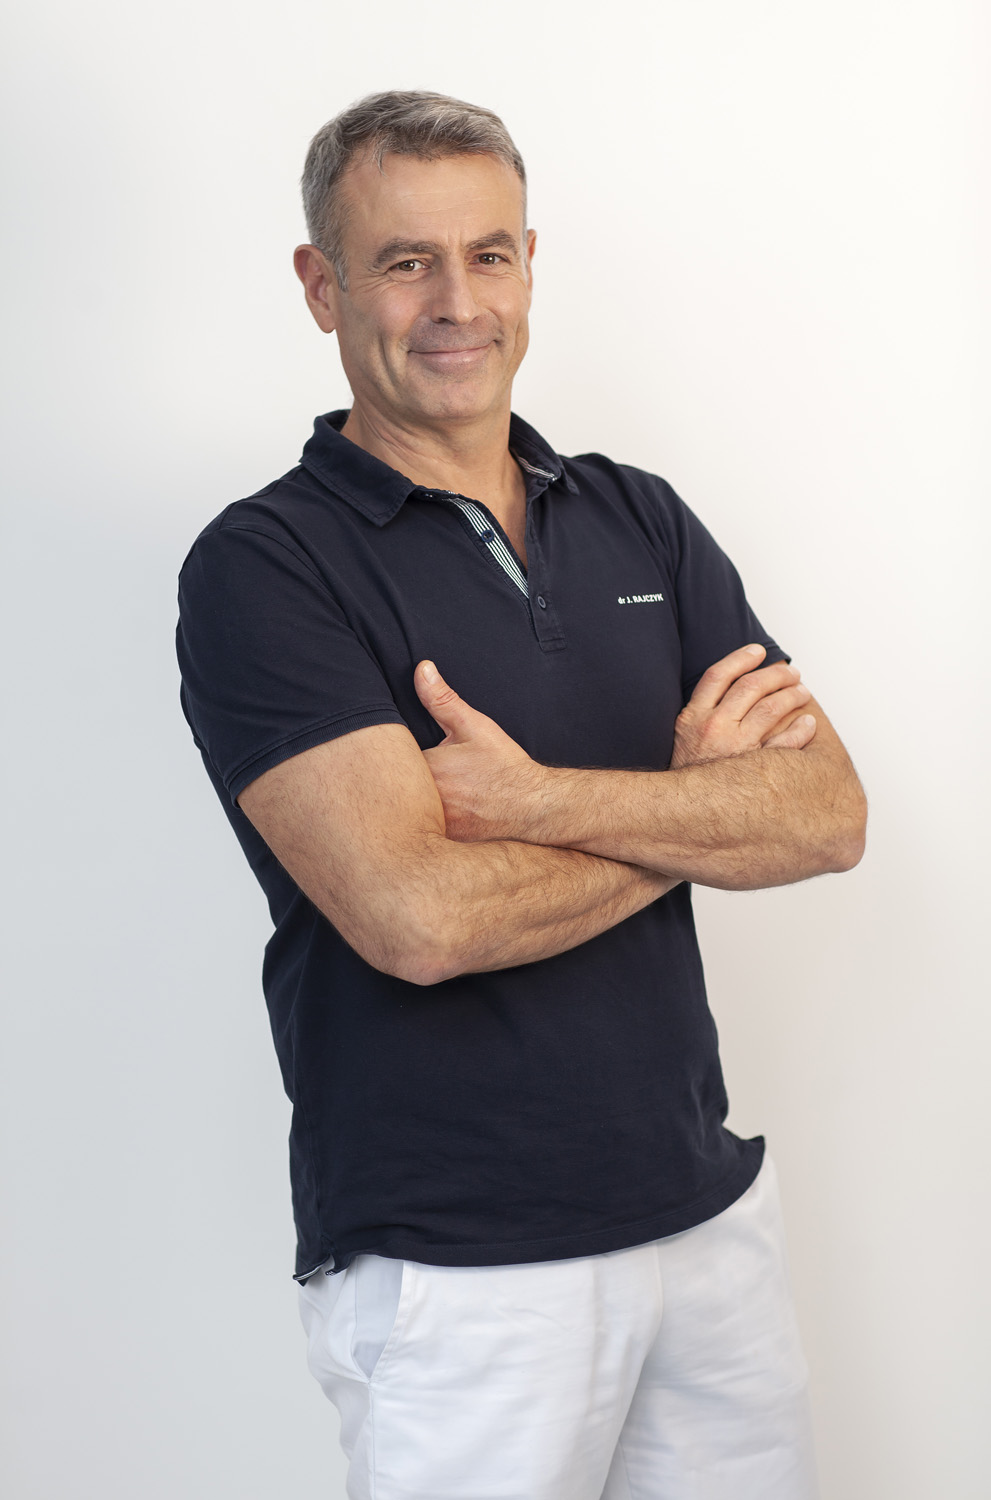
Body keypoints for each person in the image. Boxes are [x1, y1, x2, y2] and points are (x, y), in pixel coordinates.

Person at [176, 90, 866, 1500]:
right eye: (405, 261)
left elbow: (827, 816)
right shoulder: (267, 566)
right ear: (321, 286)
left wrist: (539, 800)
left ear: (531, 266)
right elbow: (419, 920)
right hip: (460, 1274)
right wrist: (697, 811)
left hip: (705, 1225)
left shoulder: (639, 516)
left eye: (489, 254)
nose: (457, 302)